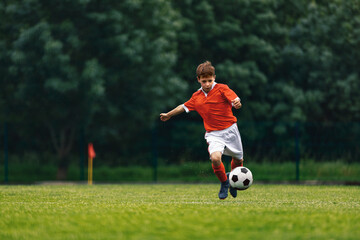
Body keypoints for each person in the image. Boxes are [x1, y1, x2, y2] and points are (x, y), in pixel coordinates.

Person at [160, 61, 244, 200]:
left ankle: (233, 182)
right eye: (204, 81)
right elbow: (183, 106)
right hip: (213, 134)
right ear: (198, 79)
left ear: (214, 78)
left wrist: (237, 103)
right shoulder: (196, 97)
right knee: (215, 158)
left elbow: (235, 99)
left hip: (230, 130)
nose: (207, 84)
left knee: (238, 159)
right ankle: (224, 182)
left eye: (210, 80)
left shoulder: (222, 89)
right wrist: (169, 114)